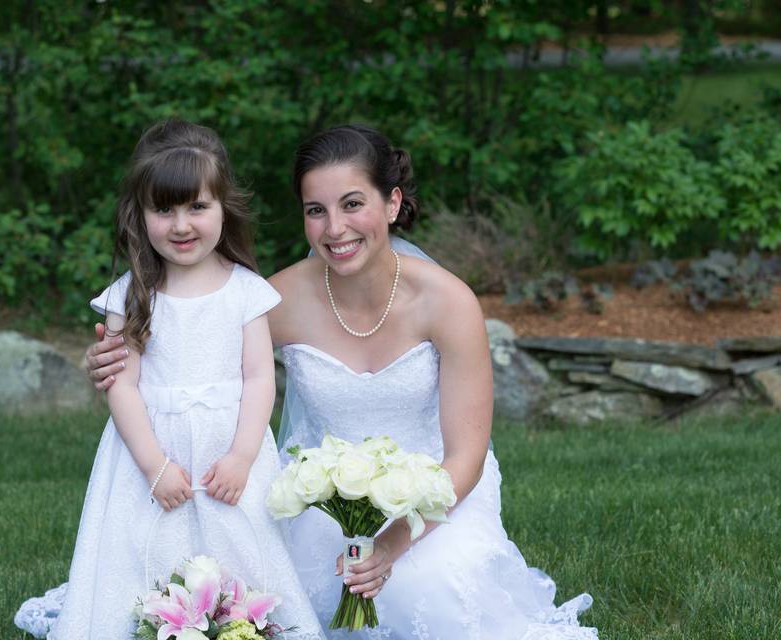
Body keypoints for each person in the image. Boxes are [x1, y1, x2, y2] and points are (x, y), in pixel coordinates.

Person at [85, 124, 598, 639]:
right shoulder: (274, 299)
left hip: (433, 498)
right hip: (317, 500)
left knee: (429, 590)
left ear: (392, 203)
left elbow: (464, 458)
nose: (335, 229)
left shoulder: (449, 303)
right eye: (316, 211)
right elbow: (184, 345)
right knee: (283, 590)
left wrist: (391, 545)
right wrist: (109, 358)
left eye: (353, 204)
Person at [14, 120, 324, 640]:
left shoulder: (246, 292)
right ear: (141, 215)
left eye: (197, 207)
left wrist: (243, 457)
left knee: (242, 544)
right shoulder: (130, 296)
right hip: (150, 451)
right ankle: (150, 619)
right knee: (142, 547)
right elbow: (122, 385)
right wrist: (154, 466)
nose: (181, 224)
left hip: (230, 446)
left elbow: (258, 379)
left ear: (225, 207)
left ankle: (240, 621)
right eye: (165, 209)